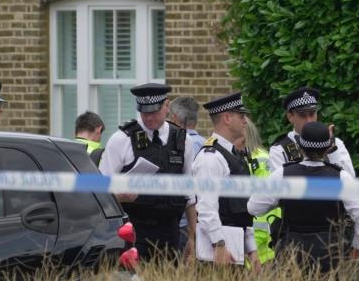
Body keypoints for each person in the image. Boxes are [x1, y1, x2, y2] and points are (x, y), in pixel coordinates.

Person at [247, 121, 359, 275]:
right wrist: (357, 248)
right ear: (327, 148)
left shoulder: (282, 174)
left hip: (290, 254)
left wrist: (280, 200)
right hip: (329, 255)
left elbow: (253, 207)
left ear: (300, 147)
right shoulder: (341, 177)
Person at [97, 83, 194, 263]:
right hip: (133, 233)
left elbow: (189, 195)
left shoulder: (182, 140)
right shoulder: (121, 140)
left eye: (154, 112)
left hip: (171, 234)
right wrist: (119, 197)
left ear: (166, 105)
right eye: (144, 112)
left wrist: (194, 239)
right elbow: (99, 192)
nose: (149, 118)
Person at [190, 92, 258, 270]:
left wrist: (251, 248)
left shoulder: (233, 154)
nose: (245, 121)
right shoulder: (210, 157)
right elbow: (206, 208)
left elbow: (243, 205)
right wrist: (218, 245)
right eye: (241, 116)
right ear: (227, 118)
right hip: (217, 254)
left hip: (234, 247)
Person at [269, 87, 355, 176]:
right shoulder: (279, 150)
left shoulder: (335, 143)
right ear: (290, 117)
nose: (309, 121)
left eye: (312, 114)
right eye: (302, 115)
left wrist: (332, 150)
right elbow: (278, 187)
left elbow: (350, 180)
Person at [169, 96, 206, 256]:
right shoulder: (209, 146)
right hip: (206, 223)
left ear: (175, 118)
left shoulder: (173, 145)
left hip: (181, 223)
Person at [242, 115, 278, 264]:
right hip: (253, 237)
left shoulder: (259, 160)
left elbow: (266, 201)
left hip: (260, 240)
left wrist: (256, 240)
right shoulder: (247, 157)